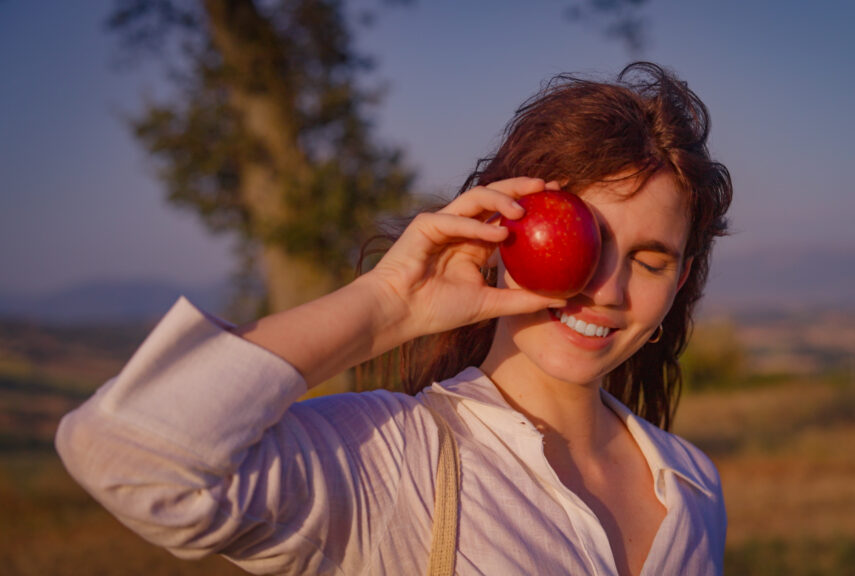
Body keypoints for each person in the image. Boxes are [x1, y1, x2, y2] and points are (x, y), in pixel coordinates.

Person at [56, 61, 733, 576]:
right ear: (498, 230)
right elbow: (127, 455)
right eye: (587, 240)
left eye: (649, 260)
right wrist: (386, 307)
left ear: (681, 282)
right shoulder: (391, 462)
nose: (606, 289)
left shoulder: (693, 486)